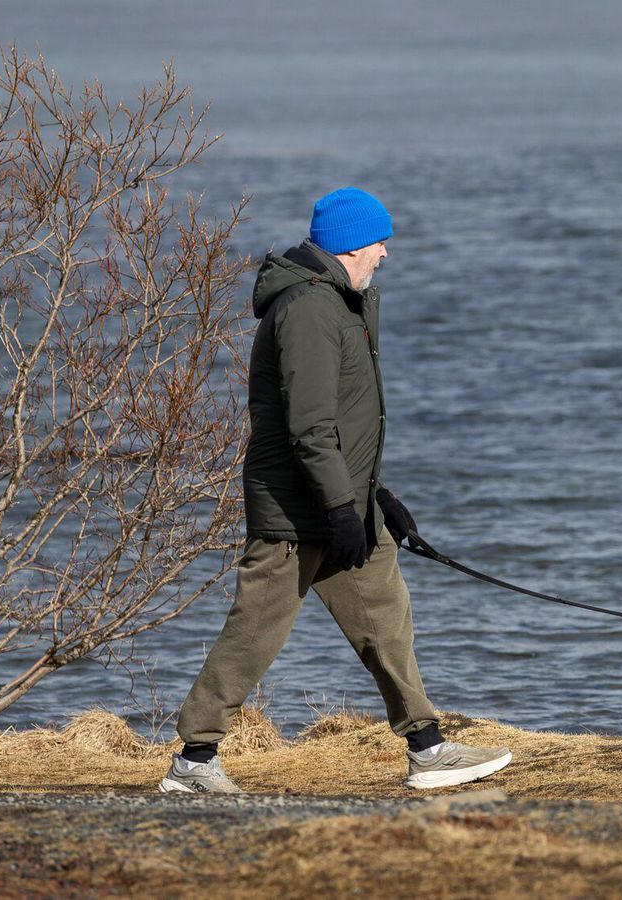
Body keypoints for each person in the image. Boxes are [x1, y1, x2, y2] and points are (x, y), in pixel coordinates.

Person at [159, 187, 511, 793]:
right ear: (351, 245)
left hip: (342, 501)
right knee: (256, 630)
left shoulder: (345, 302)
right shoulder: (309, 310)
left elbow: (344, 425)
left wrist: (378, 499)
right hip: (298, 509)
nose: (384, 253)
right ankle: (194, 762)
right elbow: (310, 426)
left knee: (386, 616)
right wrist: (342, 507)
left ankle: (427, 749)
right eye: (379, 241)